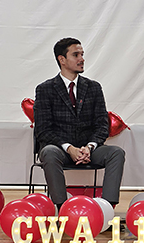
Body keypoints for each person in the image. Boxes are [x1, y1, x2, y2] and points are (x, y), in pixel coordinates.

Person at [33, 37, 125, 210]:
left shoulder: (94, 87)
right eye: (76, 55)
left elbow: (102, 126)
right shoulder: (45, 89)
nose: (82, 59)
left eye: (82, 54)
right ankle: (62, 208)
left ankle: (107, 207)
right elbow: (43, 130)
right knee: (48, 152)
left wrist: (89, 147)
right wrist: (69, 148)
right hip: (60, 149)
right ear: (62, 59)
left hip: (88, 150)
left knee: (116, 153)